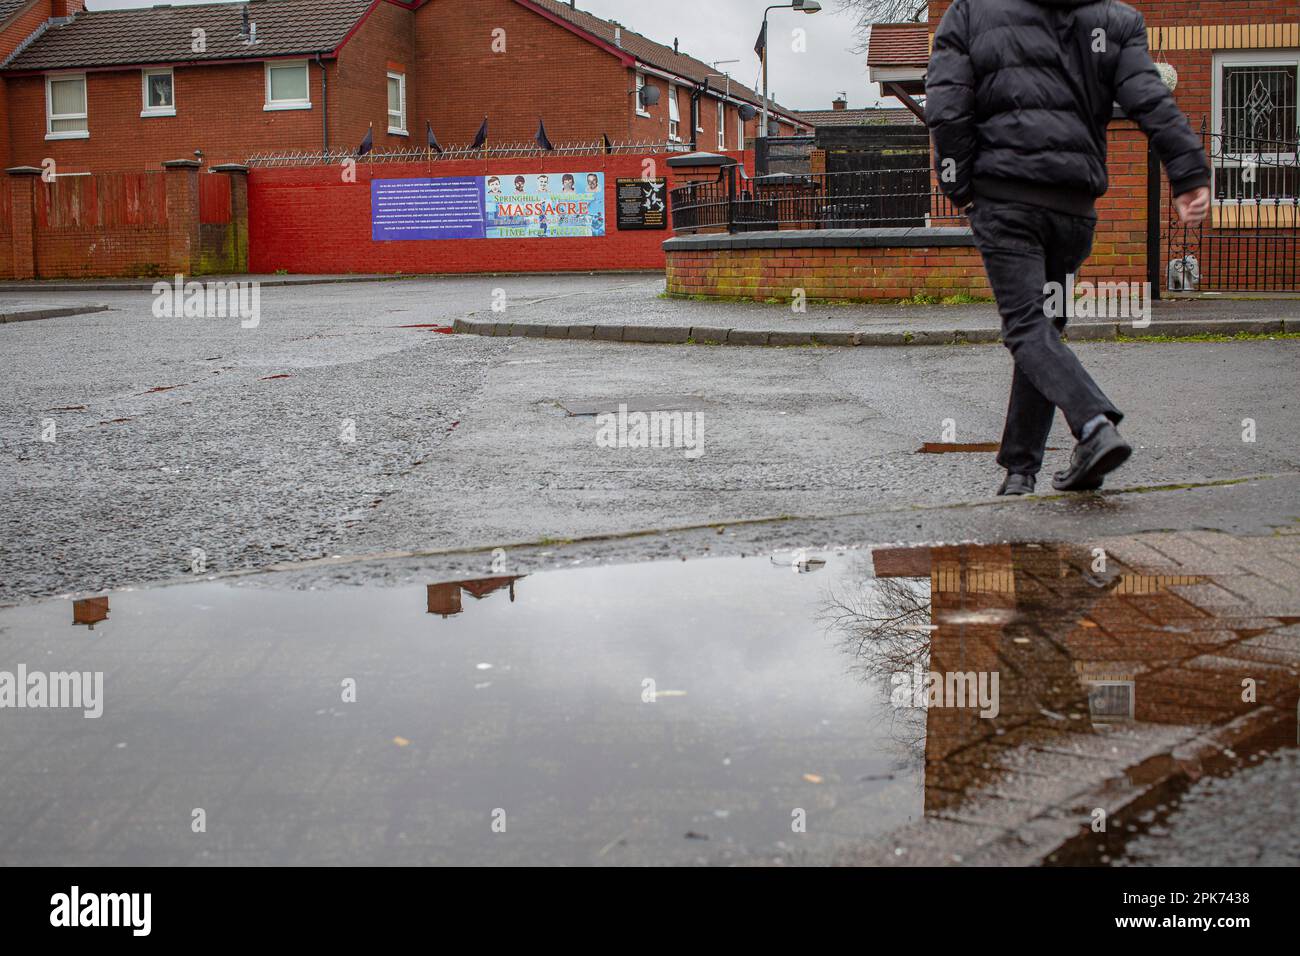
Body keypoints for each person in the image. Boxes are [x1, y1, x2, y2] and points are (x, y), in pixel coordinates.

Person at [926, 0, 1211, 496]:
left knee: (1026, 327)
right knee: (1044, 331)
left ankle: (1094, 425)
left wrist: (961, 186)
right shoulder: (1114, 20)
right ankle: (1020, 471)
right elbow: (1150, 98)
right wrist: (1187, 173)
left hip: (1008, 201)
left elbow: (947, 107)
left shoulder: (971, 12)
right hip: (1073, 210)